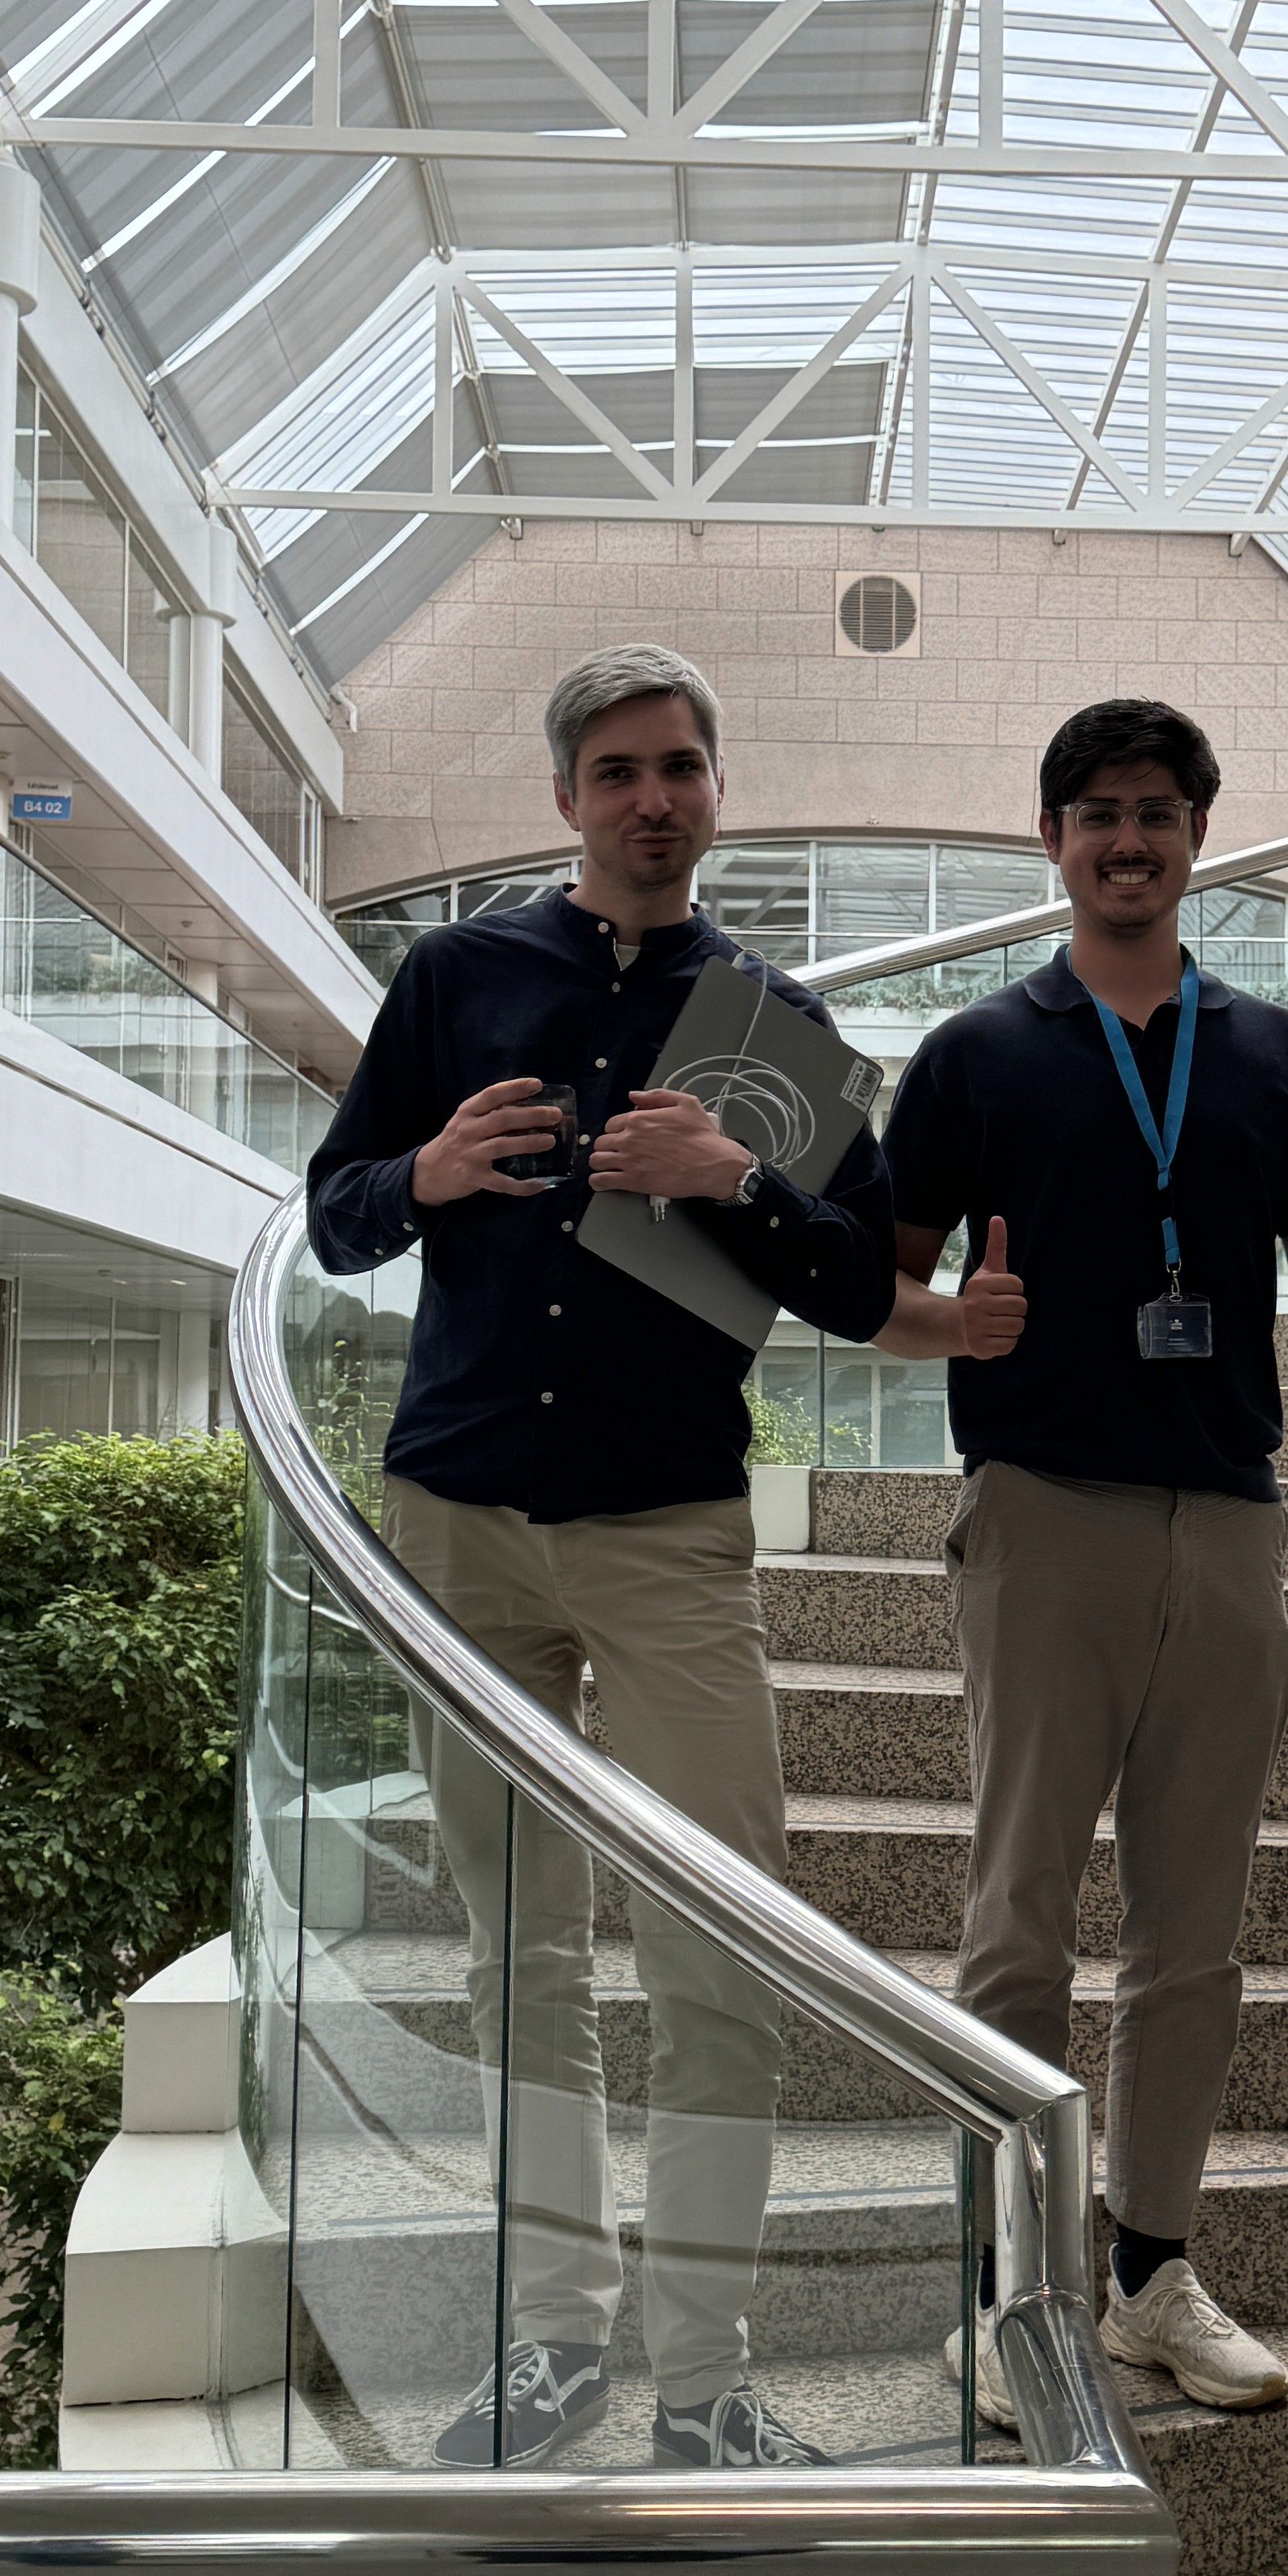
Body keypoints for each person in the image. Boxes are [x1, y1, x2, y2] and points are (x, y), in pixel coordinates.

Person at [307, 646, 898, 2473]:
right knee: (523, 1961)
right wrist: (426, 1175)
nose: (655, 798)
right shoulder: (456, 979)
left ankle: (705, 2384)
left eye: (683, 767)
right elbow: (333, 1217)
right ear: (567, 798)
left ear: (718, 792)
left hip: (666, 1532)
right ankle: (553, 2344)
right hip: (463, 1521)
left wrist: (739, 1180)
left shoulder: (776, 1023)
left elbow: (863, 1289)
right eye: (621, 771)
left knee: (721, 1952)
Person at [879, 697, 1288, 2416]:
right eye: (1096, 813)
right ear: (1053, 841)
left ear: (1196, 839)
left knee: (1196, 1935)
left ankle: (1152, 2274)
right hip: (1045, 1514)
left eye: (1157, 811)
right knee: (1017, 1924)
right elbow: (883, 1285)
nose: (1127, 840)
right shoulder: (974, 1054)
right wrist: (954, 1322)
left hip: (1230, 1520)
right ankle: (1012, 2293)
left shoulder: (1281, 1055)